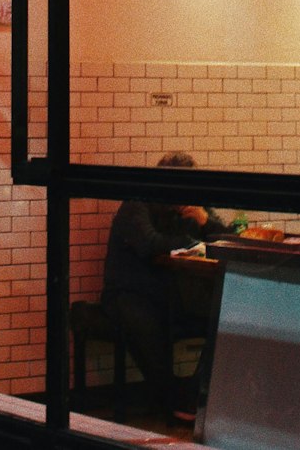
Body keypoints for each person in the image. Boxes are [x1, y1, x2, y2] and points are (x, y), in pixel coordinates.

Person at [100, 152, 229, 422]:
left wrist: (206, 222)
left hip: (173, 294)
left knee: (224, 318)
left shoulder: (194, 207)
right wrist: (189, 243)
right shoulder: (137, 204)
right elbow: (148, 243)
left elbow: (230, 239)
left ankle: (195, 392)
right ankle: (174, 399)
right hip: (131, 293)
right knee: (143, 321)